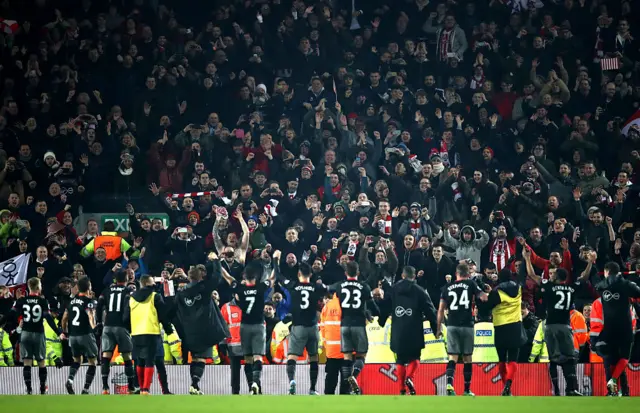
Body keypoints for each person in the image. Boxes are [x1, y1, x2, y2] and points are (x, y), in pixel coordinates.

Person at [526, 254, 587, 396]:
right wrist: (590, 263)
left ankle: (556, 390)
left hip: (550, 326)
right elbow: (583, 279)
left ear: (556, 277)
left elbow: (531, 274)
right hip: (565, 326)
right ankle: (571, 388)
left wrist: (528, 259)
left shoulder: (549, 286)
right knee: (569, 357)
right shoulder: (571, 288)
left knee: (553, 357)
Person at [220, 251, 279, 395]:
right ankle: (254, 383)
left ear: (244, 277)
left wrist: (217, 262)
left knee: (247, 358)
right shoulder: (260, 287)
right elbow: (273, 277)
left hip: (244, 326)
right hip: (259, 325)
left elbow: (227, 277)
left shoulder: (240, 288)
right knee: (258, 356)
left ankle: (252, 385)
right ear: (256, 277)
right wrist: (276, 260)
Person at [175, 253, 230, 395]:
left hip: (189, 331)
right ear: (201, 276)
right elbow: (217, 277)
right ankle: (194, 384)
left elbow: (176, 310)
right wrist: (216, 261)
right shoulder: (204, 288)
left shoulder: (181, 293)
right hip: (205, 329)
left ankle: (195, 385)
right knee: (201, 358)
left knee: (195, 357)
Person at [378, 266, 438, 395]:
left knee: (400, 359)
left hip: (398, 329)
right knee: (415, 357)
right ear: (414, 276)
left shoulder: (393, 290)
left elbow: (385, 305)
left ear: (403, 276)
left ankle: (401, 389)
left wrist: (381, 321)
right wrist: (435, 329)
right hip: (414, 329)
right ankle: (410, 378)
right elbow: (430, 310)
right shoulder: (420, 291)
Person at [2, 278, 62, 394]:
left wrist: (2, 322)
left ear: (29, 287)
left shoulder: (21, 300)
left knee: (27, 362)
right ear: (39, 287)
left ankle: (29, 389)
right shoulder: (42, 301)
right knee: (41, 362)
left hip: (25, 334)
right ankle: (42, 388)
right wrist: (58, 331)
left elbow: (11, 314)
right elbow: (48, 318)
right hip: (38, 333)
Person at [437, 263, 488, 396]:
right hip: (467, 325)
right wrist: (486, 291)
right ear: (468, 274)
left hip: (452, 325)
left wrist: (438, 328)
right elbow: (483, 297)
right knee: (467, 357)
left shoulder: (447, 287)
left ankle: (449, 384)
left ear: (456, 274)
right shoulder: (470, 284)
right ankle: (466, 390)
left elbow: (441, 309)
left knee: (452, 356)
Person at [331, 261, 378, 395]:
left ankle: (346, 388)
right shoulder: (364, 286)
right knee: (361, 355)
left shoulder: (340, 286)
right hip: (359, 325)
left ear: (346, 273)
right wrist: (372, 313)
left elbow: (329, 290)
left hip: (344, 325)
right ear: (358, 273)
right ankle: (354, 376)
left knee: (347, 357)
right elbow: (373, 306)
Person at [593, 262, 640, 395]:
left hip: (608, 329)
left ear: (607, 272)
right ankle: (613, 380)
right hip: (624, 327)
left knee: (612, 359)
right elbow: (637, 292)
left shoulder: (602, 285)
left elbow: (598, 285)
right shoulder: (624, 284)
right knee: (624, 357)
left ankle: (613, 390)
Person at [281, 262, 326, 395]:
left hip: (298, 327)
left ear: (298, 274)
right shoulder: (316, 287)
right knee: (313, 358)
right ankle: (312, 389)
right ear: (310, 275)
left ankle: (292, 382)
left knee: (292, 356)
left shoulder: (294, 285)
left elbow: (279, 277)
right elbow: (327, 290)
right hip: (312, 327)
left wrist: (276, 262)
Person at [127, 275, 174, 395]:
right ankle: (147, 389)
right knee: (153, 361)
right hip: (152, 332)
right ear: (149, 283)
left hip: (136, 334)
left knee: (139, 361)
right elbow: (163, 315)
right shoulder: (155, 296)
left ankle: (141, 387)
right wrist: (169, 329)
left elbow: (125, 317)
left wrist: (130, 329)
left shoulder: (131, 298)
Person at [486, 267, 527, 396]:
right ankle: (509, 383)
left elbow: (487, 306)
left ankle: (505, 387)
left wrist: (489, 293)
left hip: (500, 326)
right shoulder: (519, 288)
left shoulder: (497, 291)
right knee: (514, 358)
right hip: (515, 325)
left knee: (502, 359)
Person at [96, 270, 136, 394]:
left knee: (106, 356)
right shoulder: (128, 291)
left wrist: (99, 323)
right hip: (121, 326)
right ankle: (131, 387)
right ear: (127, 279)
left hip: (107, 326)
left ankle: (105, 387)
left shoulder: (106, 290)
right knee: (127, 356)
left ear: (115, 279)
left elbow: (99, 305)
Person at [62, 276, 99, 394]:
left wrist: (65, 332)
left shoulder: (71, 302)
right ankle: (85, 389)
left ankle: (70, 380)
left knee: (77, 360)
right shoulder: (89, 302)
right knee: (93, 361)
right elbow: (90, 315)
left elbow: (64, 319)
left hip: (73, 336)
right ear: (89, 287)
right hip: (86, 334)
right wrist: (94, 327)